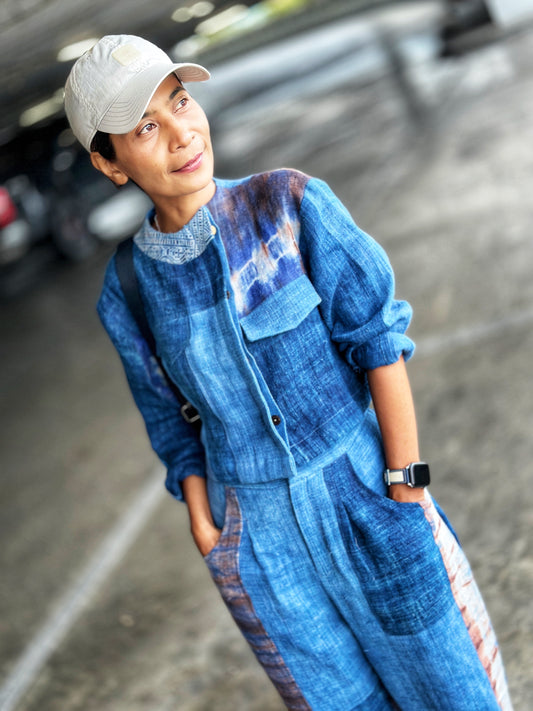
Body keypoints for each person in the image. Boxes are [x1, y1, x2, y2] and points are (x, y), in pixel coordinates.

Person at [64, 34, 512, 710]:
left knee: (454, 690)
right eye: (146, 126)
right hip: (261, 545)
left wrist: (406, 484)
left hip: (367, 495)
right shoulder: (128, 289)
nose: (182, 132)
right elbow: (168, 421)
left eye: (180, 102)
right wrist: (209, 533)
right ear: (109, 162)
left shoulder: (289, 205)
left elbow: (377, 340)